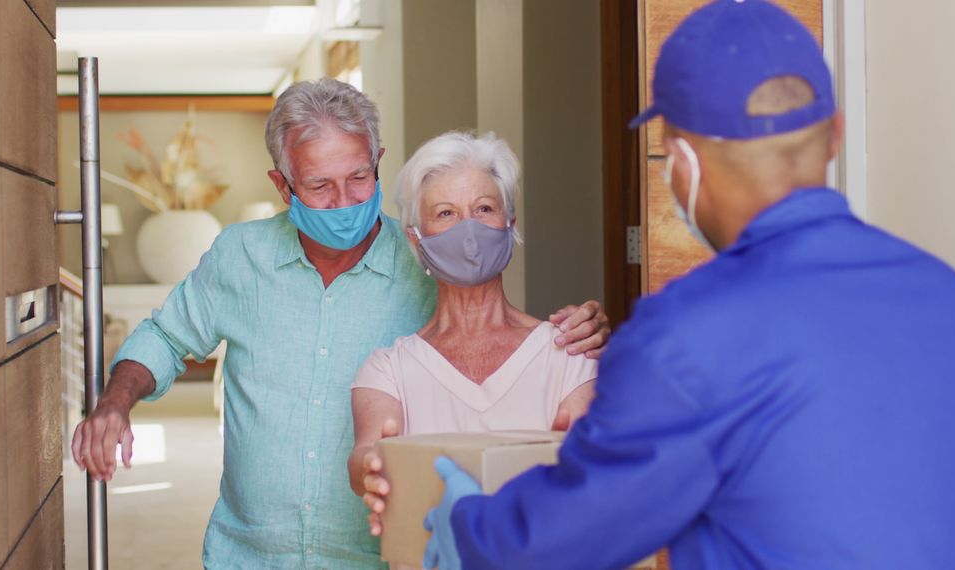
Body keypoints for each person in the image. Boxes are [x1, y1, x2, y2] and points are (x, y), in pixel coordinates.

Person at [423, 1, 955, 568]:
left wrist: (469, 525)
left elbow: (559, 538)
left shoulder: (687, 336)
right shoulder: (949, 297)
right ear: (835, 134)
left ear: (682, 162)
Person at [68, 78, 611, 569]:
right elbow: (166, 336)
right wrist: (115, 401)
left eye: (358, 177)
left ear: (378, 162)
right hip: (248, 556)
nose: (344, 201)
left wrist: (579, 335)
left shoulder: (425, 258)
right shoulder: (240, 256)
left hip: (375, 556)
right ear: (283, 186)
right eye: (319, 186)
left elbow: (491, 323)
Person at [347, 132, 597, 536]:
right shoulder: (388, 370)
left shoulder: (569, 353)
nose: (468, 230)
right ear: (416, 238)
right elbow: (365, 456)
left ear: (509, 222)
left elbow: (595, 475)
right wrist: (373, 468)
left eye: (484, 208)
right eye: (445, 213)